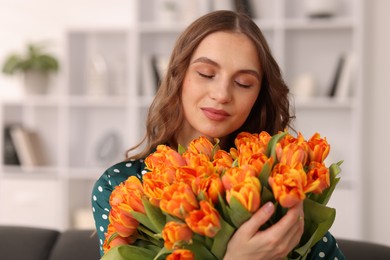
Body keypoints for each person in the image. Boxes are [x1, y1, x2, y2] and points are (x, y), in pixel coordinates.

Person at [92, 10, 345, 259]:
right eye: (206, 74)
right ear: (178, 75)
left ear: (258, 96)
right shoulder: (122, 188)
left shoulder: (283, 185)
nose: (222, 94)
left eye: (243, 83)